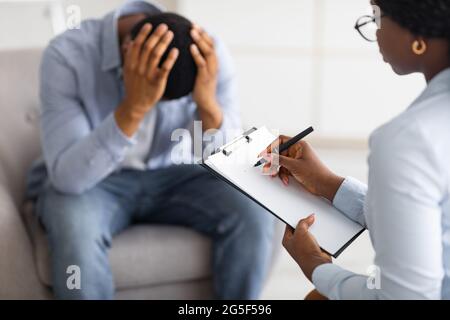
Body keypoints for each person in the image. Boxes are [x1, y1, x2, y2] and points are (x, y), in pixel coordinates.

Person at [26, 0, 275, 299]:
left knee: (253, 208)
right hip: (94, 183)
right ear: (127, 52)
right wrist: (134, 107)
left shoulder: (207, 52)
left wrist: (207, 105)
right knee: (74, 224)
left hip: (175, 174)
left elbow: (231, 164)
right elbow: (69, 178)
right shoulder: (67, 55)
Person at [261, 0, 450, 299]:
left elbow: (406, 297)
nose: (374, 32)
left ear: (417, 30)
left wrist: (316, 267)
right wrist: (327, 183)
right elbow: (436, 226)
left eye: (376, 16)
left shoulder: (410, 140)